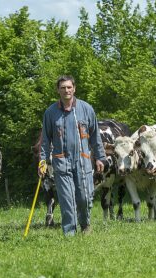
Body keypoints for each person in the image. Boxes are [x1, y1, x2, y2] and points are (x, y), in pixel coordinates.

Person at [38, 75, 105, 236]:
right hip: (61, 162)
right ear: (58, 90)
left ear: (74, 88)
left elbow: (95, 136)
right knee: (67, 199)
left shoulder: (86, 109)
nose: (66, 90)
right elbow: (45, 140)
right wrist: (42, 161)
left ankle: (85, 224)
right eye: (63, 88)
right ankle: (69, 232)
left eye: (69, 87)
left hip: (83, 160)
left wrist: (100, 157)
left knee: (84, 196)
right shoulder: (50, 113)